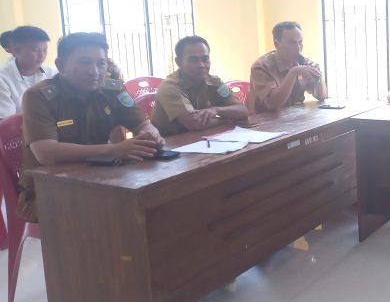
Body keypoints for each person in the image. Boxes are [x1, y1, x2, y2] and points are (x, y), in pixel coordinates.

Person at [20, 32, 165, 222]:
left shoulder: (112, 89)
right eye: (85, 63)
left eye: (101, 64)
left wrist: (150, 135)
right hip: (47, 191)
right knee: (117, 210)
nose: (94, 71)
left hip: (100, 178)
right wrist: (114, 150)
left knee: (156, 195)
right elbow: (46, 153)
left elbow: (143, 124)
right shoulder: (39, 96)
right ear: (61, 65)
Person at [151, 35, 249, 136]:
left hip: (204, 138)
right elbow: (195, 123)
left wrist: (216, 110)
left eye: (205, 59)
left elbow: (243, 110)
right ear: (178, 62)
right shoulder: (170, 86)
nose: (201, 65)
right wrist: (228, 120)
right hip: (170, 142)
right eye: (194, 60)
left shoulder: (215, 82)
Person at [248, 21, 327, 112]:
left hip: (292, 117)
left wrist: (318, 76)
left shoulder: (302, 62)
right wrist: (293, 72)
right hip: (262, 118)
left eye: (300, 42)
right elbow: (273, 104)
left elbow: (321, 96)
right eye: (292, 43)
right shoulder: (261, 67)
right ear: (276, 44)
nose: (298, 47)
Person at [0, 26, 57, 118]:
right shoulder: (3, 79)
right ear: (17, 51)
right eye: (35, 50)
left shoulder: (52, 73)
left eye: (44, 50)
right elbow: (7, 121)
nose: (41, 55)